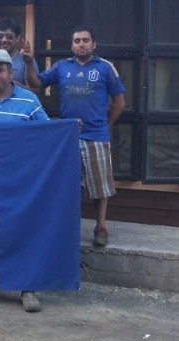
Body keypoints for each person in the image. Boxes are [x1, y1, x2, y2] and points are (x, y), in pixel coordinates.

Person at [24, 25, 125, 248]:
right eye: (77, 41)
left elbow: (120, 102)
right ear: (72, 45)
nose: (81, 44)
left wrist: (107, 125)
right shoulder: (61, 67)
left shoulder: (106, 68)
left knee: (99, 187)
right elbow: (35, 83)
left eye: (85, 40)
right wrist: (30, 61)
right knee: (67, 185)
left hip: (96, 136)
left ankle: (100, 227)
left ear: (94, 44)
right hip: (68, 137)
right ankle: (66, 227)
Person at [0, 49, 48, 313]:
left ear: (11, 72)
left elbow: (47, 135)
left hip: (22, 181)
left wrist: (69, 130)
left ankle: (27, 288)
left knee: (23, 232)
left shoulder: (30, 100)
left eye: (1, 70)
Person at [0, 17, 40, 90]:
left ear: (18, 38)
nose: (4, 40)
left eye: (9, 36)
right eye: (0, 36)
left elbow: (34, 90)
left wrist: (11, 84)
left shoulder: (25, 59)